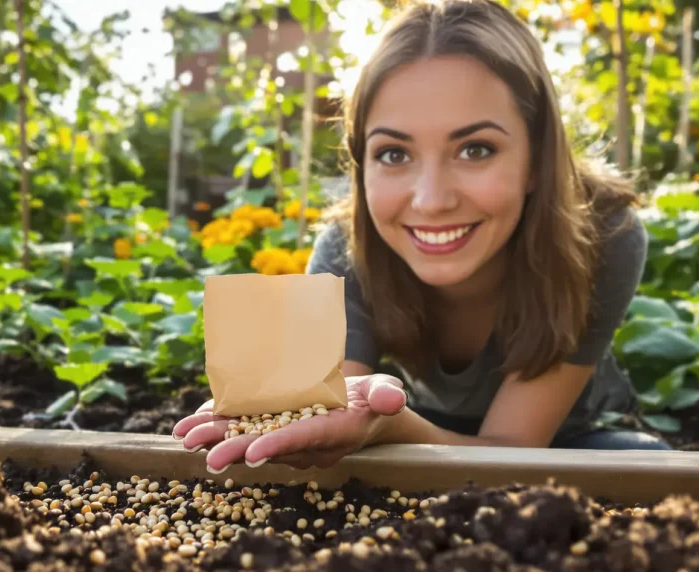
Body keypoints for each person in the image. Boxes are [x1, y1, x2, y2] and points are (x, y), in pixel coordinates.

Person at [173, 0, 672, 474]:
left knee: (645, 463)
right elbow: (338, 408)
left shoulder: (605, 234)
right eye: (394, 154)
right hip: (411, 435)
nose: (431, 200)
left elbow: (515, 450)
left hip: (568, 440)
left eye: (476, 149)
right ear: (361, 162)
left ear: (536, 161)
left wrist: (391, 424)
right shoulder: (346, 250)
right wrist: (301, 412)